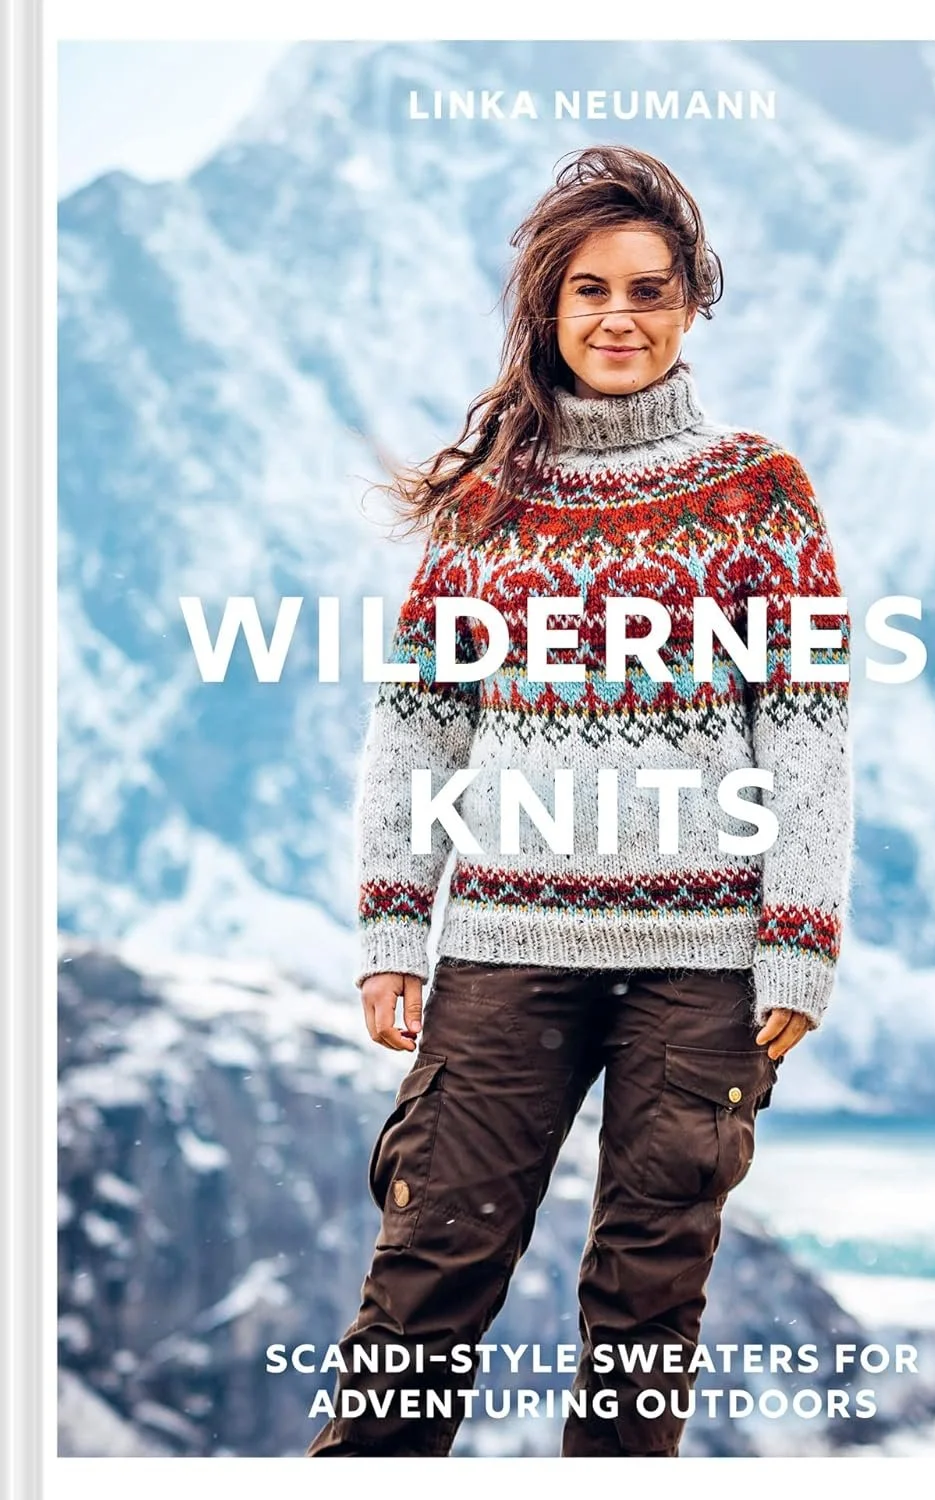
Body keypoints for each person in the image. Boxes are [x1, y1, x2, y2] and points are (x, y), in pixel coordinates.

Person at [307, 144, 853, 1459]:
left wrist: (798, 934)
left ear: (691, 303)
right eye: (591, 290)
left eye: (651, 290)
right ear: (547, 308)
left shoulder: (759, 494)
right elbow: (420, 722)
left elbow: (809, 722)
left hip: (703, 962)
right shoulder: (487, 504)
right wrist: (392, 926)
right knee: (425, 1276)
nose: (621, 317)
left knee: (645, 1304)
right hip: (501, 947)